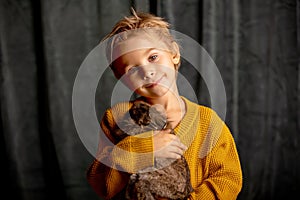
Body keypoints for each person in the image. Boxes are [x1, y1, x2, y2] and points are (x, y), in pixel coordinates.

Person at [86, 9, 243, 200]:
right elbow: (102, 183)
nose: (148, 71)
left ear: (174, 54)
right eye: (133, 69)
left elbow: (228, 178)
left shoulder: (207, 122)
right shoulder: (117, 118)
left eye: (153, 57)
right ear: (121, 78)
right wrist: (144, 147)